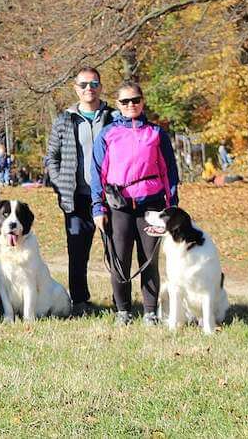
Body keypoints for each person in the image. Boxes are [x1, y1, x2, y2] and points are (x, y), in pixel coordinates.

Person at [91, 80, 179, 327]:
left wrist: (171, 208)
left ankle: (150, 312)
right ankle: (123, 311)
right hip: (118, 206)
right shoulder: (107, 134)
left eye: (135, 100)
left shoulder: (157, 134)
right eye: (125, 101)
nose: (131, 105)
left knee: (149, 260)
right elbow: (96, 173)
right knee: (119, 259)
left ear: (143, 101)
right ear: (118, 104)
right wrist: (98, 207)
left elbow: (170, 172)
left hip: (151, 204)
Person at [45, 66, 113, 316]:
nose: (89, 89)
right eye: (83, 85)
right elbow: (51, 157)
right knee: (77, 252)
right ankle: (80, 301)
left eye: (94, 84)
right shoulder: (65, 119)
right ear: (75, 88)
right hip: (76, 198)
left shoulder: (113, 117)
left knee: (115, 249)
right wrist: (60, 183)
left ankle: (121, 301)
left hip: (109, 197)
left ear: (101, 87)